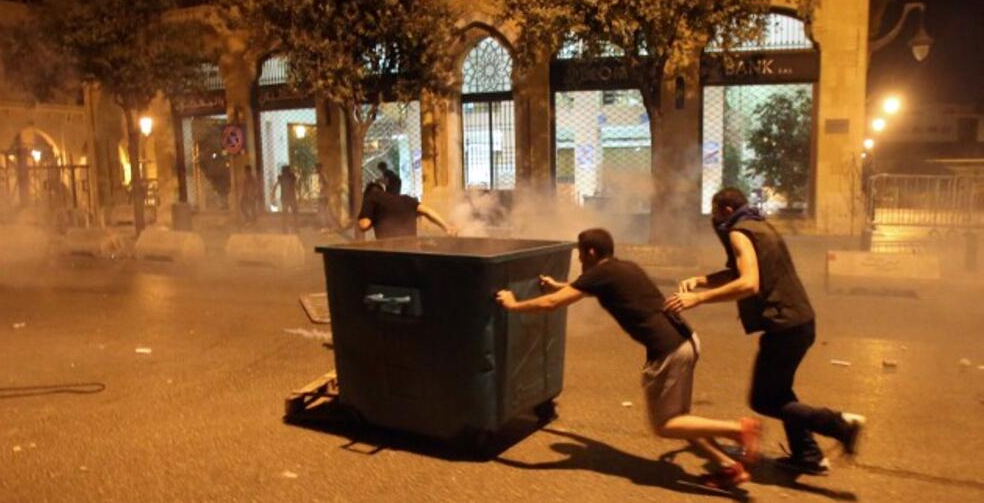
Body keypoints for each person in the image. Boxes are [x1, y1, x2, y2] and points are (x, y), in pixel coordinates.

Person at [496, 228, 762, 489]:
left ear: (590, 252)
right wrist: (559, 286)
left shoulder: (600, 273)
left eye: (580, 256)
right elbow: (589, 289)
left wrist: (513, 304)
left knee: (666, 424)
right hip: (686, 340)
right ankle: (729, 466)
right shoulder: (623, 268)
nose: (579, 261)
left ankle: (737, 429)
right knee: (682, 419)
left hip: (668, 350)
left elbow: (551, 304)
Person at [665, 187, 866, 475]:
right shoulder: (758, 225)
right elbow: (740, 272)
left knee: (763, 399)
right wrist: (702, 280)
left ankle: (840, 425)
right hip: (798, 321)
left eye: (713, 213)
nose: (713, 221)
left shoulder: (738, 232)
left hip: (785, 326)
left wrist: (698, 298)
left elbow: (748, 283)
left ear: (723, 210)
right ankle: (807, 454)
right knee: (780, 391)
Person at [357, 182, 455, 239]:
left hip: (389, 252)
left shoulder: (370, 197)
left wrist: (356, 220)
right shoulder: (406, 199)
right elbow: (428, 211)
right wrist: (446, 227)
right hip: (411, 249)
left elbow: (364, 224)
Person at [272, 165, 299, 232]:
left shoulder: (282, 177)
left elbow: (275, 185)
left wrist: (273, 193)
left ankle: (286, 228)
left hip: (286, 197)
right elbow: (296, 185)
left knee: (286, 213)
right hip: (290, 197)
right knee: (292, 213)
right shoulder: (291, 177)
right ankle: (293, 228)